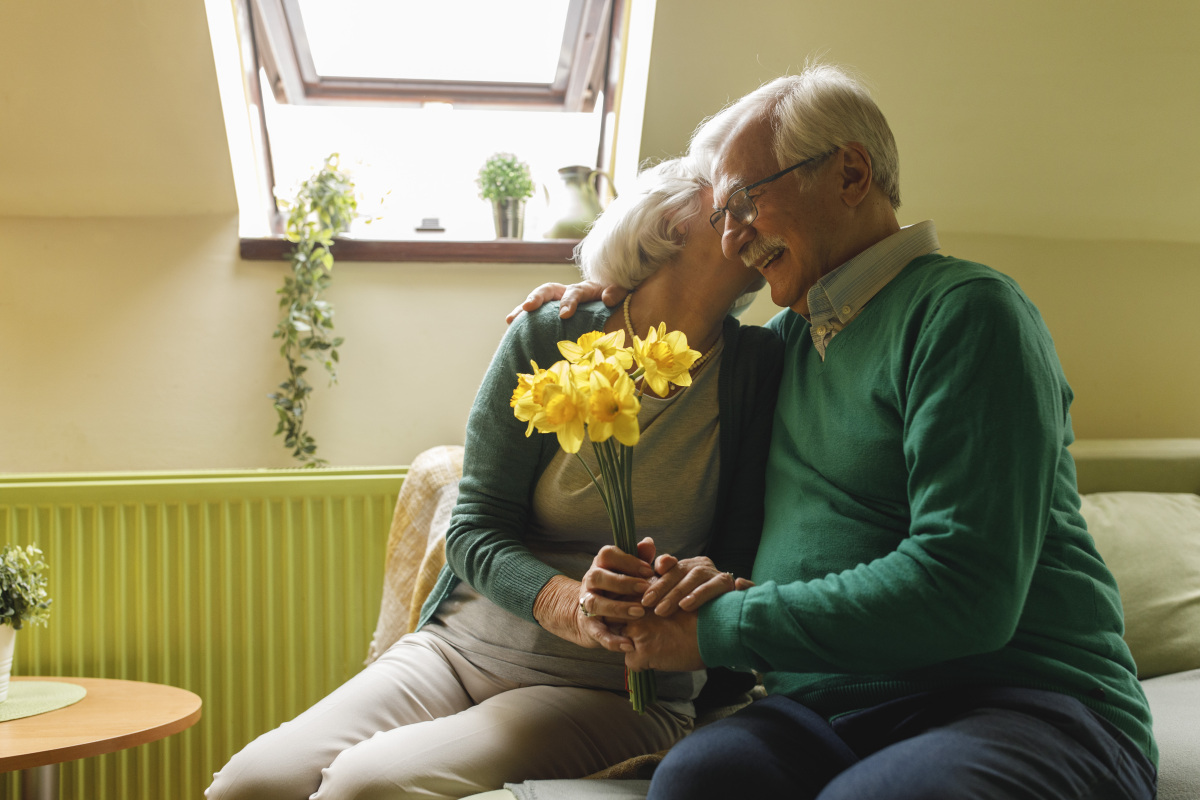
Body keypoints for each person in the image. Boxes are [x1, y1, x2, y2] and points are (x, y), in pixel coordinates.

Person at [514, 64, 1158, 800]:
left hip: (1018, 701)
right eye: (720, 217)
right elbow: (672, 337)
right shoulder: (781, 345)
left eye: (745, 204)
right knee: (698, 781)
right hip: (822, 712)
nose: (731, 242)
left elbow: (965, 589)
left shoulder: (968, 312)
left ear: (850, 173)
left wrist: (725, 623)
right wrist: (599, 302)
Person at [205, 157, 781, 800]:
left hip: (611, 689)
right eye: (728, 205)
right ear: (667, 225)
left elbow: (732, 555)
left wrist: (670, 604)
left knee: (365, 786)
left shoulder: (756, 368)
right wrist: (569, 603)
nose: (751, 219)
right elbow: (473, 530)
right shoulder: (548, 335)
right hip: (461, 649)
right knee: (249, 785)